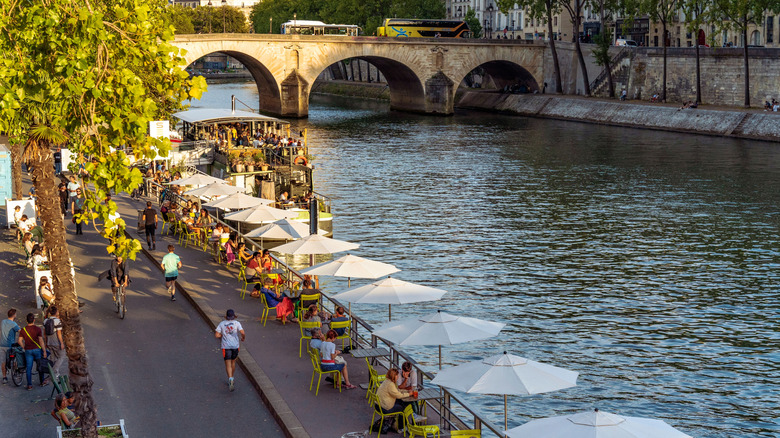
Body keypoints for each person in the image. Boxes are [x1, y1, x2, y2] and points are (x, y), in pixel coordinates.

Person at [215, 309, 245, 392]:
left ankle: (230, 378)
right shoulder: (237, 323)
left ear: (226, 316)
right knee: (233, 362)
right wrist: (243, 338)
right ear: (234, 316)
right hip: (235, 346)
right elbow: (242, 333)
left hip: (226, 346)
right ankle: (233, 377)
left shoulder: (222, 324)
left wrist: (222, 334)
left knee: (228, 364)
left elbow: (217, 335)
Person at [17, 313, 49, 390]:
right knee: (40, 366)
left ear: (26, 321)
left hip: (28, 350)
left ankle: (29, 385)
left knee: (29, 368)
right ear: (34, 320)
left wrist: (24, 347)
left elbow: (19, 341)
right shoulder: (38, 329)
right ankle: (42, 381)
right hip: (37, 350)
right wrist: (44, 351)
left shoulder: (23, 330)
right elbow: (41, 341)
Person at [44, 306, 66, 380]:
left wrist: (46, 342)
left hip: (49, 342)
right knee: (62, 356)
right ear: (56, 312)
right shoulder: (57, 321)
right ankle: (53, 372)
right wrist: (62, 343)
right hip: (56, 342)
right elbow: (59, 333)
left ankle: (55, 373)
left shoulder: (45, 321)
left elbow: (44, 333)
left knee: (52, 358)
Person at [1, 308, 20, 384]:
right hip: (10, 345)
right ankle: (15, 372)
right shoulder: (14, 324)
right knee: (15, 357)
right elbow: (20, 331)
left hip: (2, 345)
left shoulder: (3, 322)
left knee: (3, 362)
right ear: (14, 315)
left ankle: (4, 377)